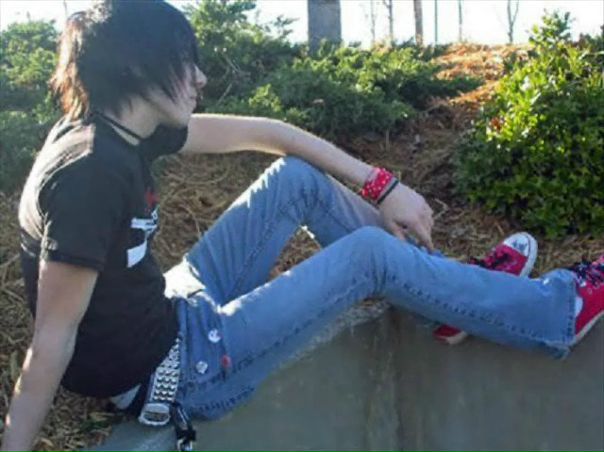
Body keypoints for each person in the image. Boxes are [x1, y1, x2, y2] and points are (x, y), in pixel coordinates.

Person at [2, 1, 603, 450]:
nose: (201, 78)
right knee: (369, 255)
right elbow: (52, 338)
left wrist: (382, 185)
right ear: (137, 66)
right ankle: (553, 314)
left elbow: (271, 134)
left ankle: (448, 302)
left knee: (295, 179)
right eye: (186, 62)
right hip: (179, 370)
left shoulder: (114, 126)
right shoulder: (89, 174)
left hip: (172, 306)